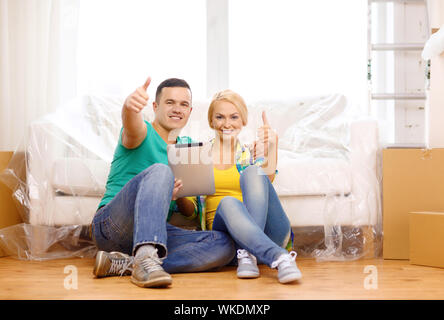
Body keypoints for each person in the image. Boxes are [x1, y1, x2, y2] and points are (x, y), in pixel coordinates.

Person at [90, 77, 235, 288]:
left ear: (190, 111)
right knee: (161, 171)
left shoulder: (189, 148)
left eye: (183, 104)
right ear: (155, 107)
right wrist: (129, 108)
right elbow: (131, 125)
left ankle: (129, 263)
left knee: (224, 244)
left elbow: (190, 213)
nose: (177, 109)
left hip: (155, 232)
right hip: (112, 227)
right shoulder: (143, 132)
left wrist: (178, 193)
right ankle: (145, 259)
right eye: (170, 102)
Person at [187, 89, 302, 284]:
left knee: (252, 172)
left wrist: (273, 146)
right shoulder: (198, 155)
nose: (227, 123)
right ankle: (269, 255)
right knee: (229, 202)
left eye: (234, 117)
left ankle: (250, 251)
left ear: (243, 121)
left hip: (268, 234)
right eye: (220, 117)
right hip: (227, 242)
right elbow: (190, 210)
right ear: (211, 122)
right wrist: (180, 190)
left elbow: (267, 180)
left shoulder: (251, 153)